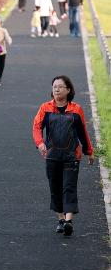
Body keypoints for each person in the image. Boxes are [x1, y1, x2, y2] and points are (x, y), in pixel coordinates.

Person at [33, 75, 94, 236]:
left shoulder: (76, 110)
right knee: (56, 188)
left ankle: (68, 221)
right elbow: (37, 127)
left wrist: (89, 151)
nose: (57, 89)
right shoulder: (45, 108)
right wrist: (39, 143)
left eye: (60, 86)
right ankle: (61, 219)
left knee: (69, 187)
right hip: (52, 156)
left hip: (71, 156)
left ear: (68, 90)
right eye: (54, 87)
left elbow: (83, 133)